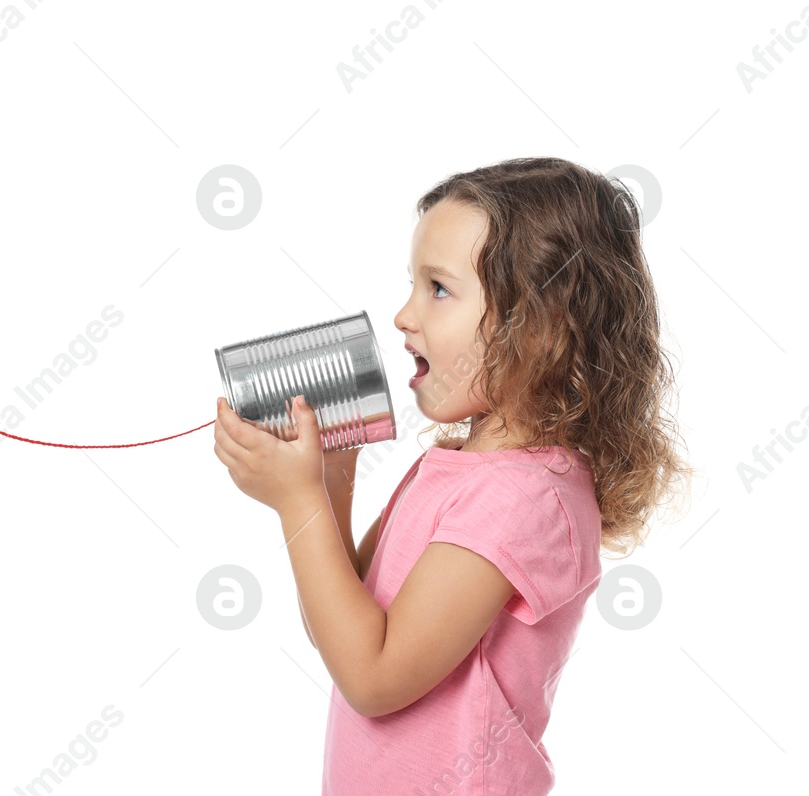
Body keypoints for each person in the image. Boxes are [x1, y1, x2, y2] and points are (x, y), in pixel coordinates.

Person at [212, 157, 691, 794]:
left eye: (437, 288)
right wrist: (330, 481)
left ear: (541, 330)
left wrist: (296, 501)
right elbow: (343, 628)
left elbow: (373, 678)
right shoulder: (457, 469)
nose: (403, 316)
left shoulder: (522, 500)